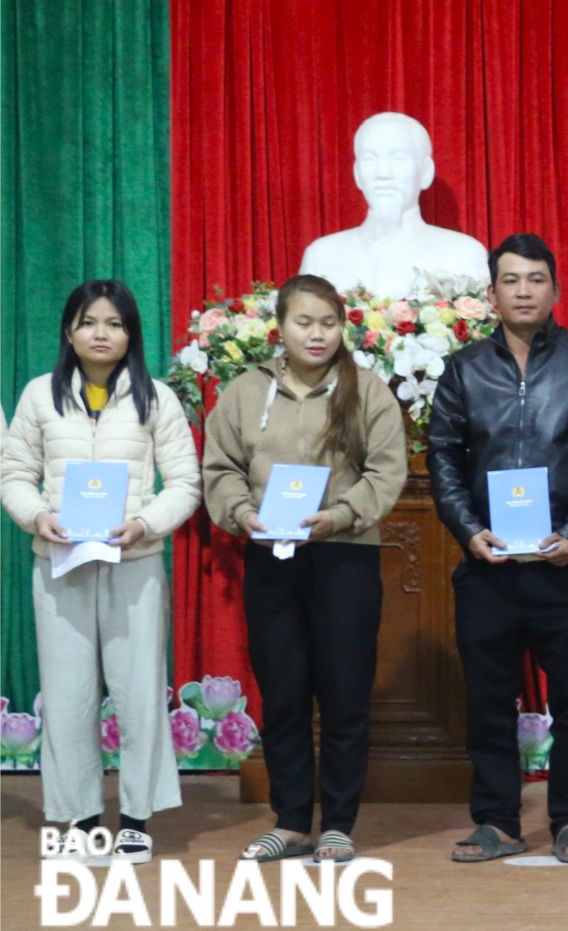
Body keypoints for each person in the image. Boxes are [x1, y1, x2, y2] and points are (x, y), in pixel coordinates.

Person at [427, 234, 568, 865]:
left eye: (536, 279)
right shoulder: (464, 368)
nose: (523, 290)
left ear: (555, 291)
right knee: (488, 704)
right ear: (491, 294)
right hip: (487, 567)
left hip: (563, 564)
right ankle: (496, 821)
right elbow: (443, 458)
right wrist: (467, 530)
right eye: (510, 280)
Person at [202, 275, 408, 864]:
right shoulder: (244, 391)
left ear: (343, 327)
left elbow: (386, 472)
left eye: (328, 323)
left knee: (344, 694)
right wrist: (245, 515)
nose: (316, 334)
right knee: (284, 692)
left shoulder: (366, 390)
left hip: (345, 555)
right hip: (272, 556)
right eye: (304, 322)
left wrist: (340, 516)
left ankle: (339, 822)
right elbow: (220, 468)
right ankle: (291, 820)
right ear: (280, 328)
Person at [1, 280, 200, 864]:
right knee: (67, 697)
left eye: (114, 323)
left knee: (138, 693)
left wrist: (145, 524)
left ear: (130, 334)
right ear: (69, 331)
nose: (101, 333)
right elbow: (13, 473)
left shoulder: (156, 398)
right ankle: (80, 819)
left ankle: (136, 819)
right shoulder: (41, 396)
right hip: (59, 567)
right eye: (89, 322)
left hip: (133, 566)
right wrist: (36, 515)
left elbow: (185, 483)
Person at [299, 112, 490, 297]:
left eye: (398, 158)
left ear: (425, 172)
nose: (383, 173)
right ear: (357, 173)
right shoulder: (321, 256)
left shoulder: (463, 254)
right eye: (370, 158)